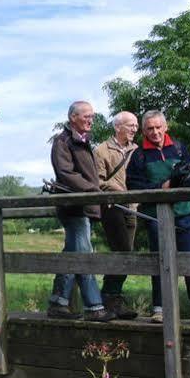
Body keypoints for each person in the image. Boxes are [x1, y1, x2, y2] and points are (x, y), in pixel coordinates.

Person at [126, 110, 190, 323]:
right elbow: (133, 186)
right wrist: (164, 186)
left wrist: (188, 179)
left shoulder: (179, 148)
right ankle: (160, 309)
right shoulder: (139, 156)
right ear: (143, 130)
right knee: (159, 261)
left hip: (183, 212)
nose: (155, 132)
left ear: (165, 126)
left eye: (158, 127)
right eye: (150, 128)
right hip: (154, 217)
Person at [47, 102, 115, 322]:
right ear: (73, 117)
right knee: (84, 255)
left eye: (92, 116)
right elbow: (66, 173)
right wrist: (93, 190)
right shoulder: (63, 141)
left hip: (83, 205)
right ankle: (94, 306)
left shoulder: (82, 141)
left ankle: (58, 302)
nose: (90, 120)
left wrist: (96, 192)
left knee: (72, 253)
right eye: (86, 116)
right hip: (74, 207)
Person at [93, 111, 140, 320]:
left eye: (136, 125)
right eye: (130, 125)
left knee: (127, 255)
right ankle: (109, 297)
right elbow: (98, 182)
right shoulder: (102, 150)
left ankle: (113, 297)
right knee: (122, 251)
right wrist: (117, 191)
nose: (134, 129)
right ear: (117, 126)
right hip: (112, 208)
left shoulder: (137, 151)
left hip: (133, 207)